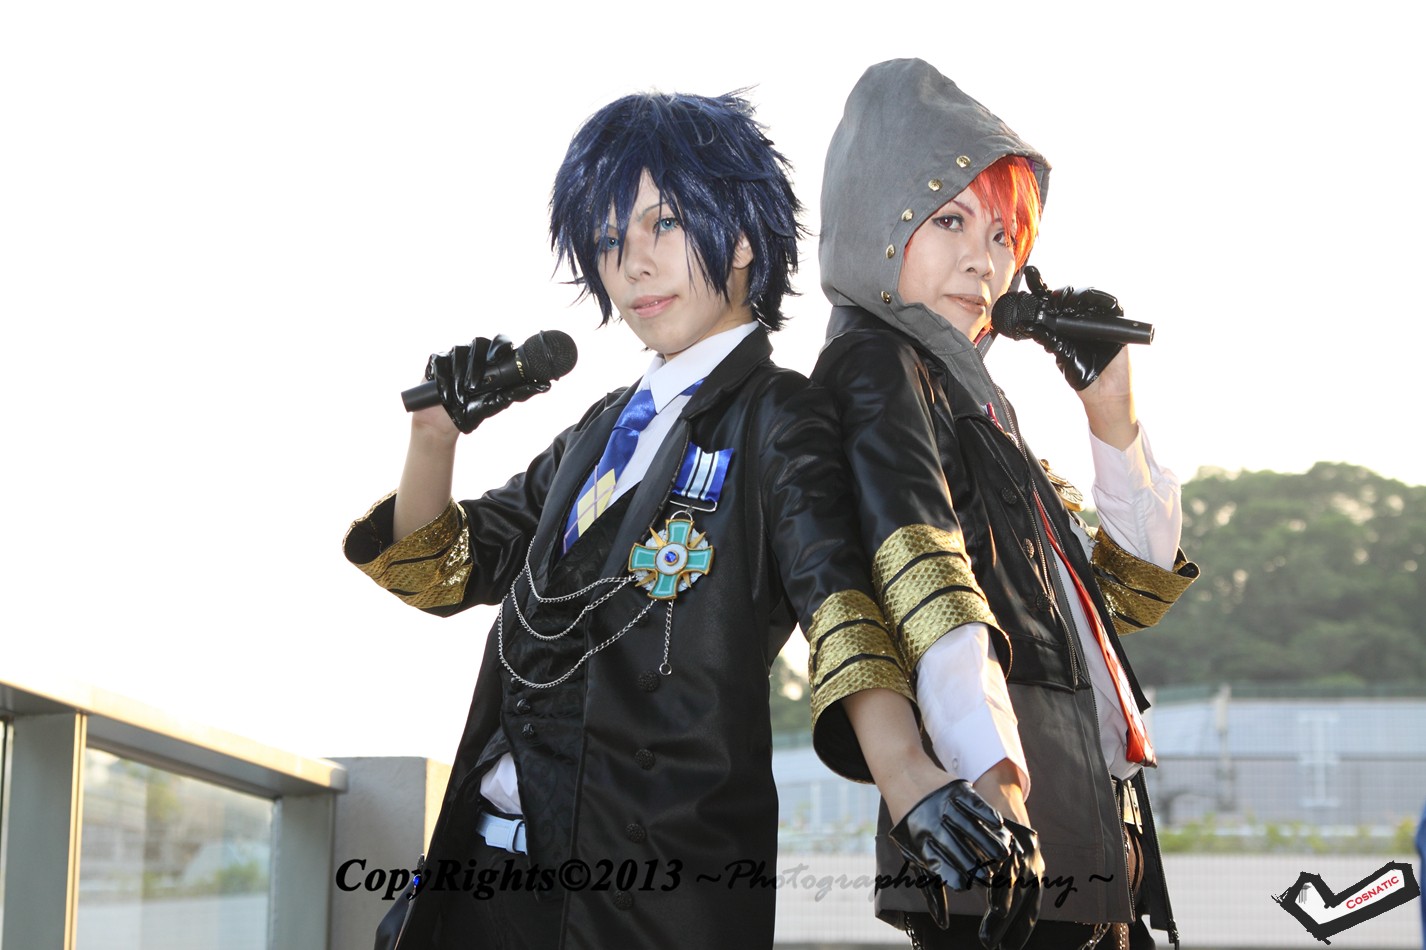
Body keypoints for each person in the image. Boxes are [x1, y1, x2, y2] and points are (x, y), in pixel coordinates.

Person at [343, 89, 1028, 950]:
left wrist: (907, 774)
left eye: (662, 224)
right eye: (607, 240)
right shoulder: (598, 431)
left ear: (741, 239)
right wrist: (434, 435)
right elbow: (442, 571)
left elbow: (837, 599)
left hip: (639, 894)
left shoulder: (779, 413)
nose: (633, 263)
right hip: (481, 888)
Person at [812, 59, 1200, 949]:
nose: (982, 261)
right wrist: (995, 782)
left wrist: (1111, 412)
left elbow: (1128, 599)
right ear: (875, 215)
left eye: (1000, 234)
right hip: (1005, 833)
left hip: (1079, 832)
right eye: (948, 219)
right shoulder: (877, 364)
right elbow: (925, 578)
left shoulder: (976, 402)